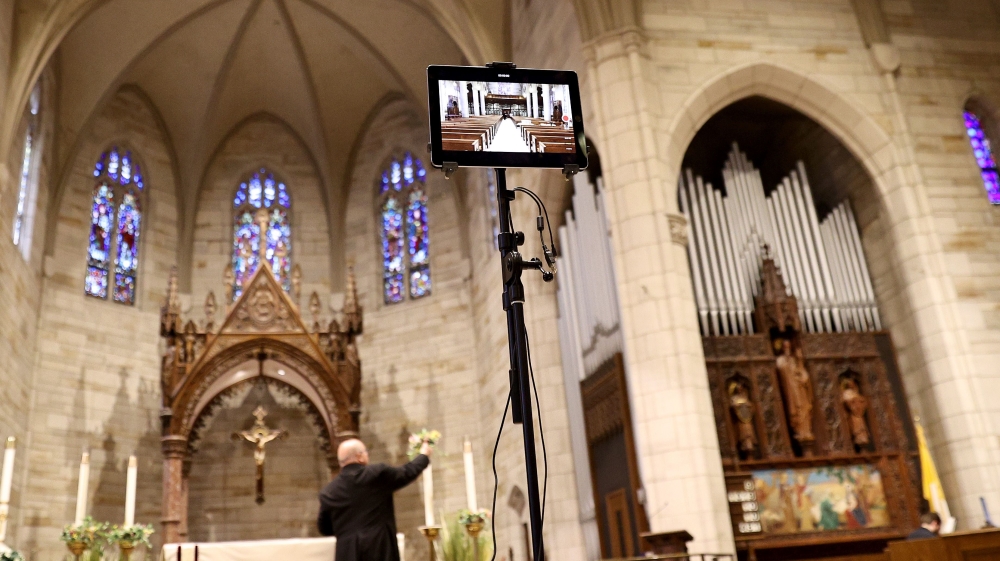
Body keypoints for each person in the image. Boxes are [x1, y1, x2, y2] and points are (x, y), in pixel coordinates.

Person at [318, 438, 432, 561]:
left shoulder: (328, 492)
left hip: (348, 553)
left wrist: (346, 532)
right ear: (359, 456)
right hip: (379, 548)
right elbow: (407, 472)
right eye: (366, 452)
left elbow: (324, 528)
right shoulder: (377, 474)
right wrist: (424, 455)